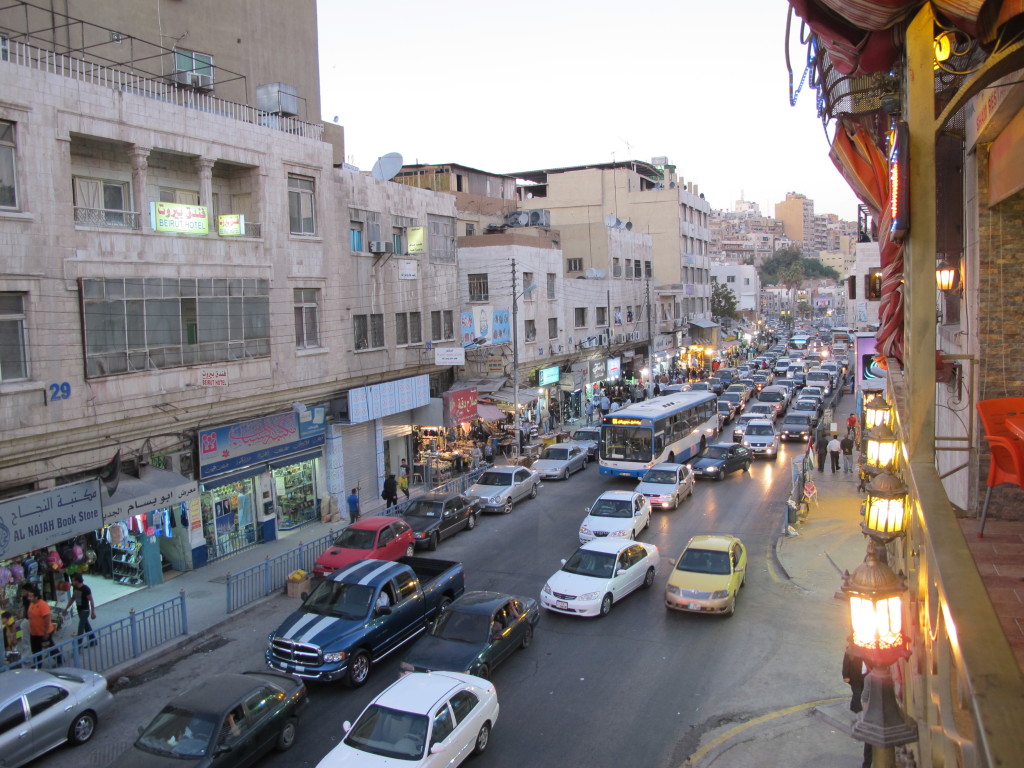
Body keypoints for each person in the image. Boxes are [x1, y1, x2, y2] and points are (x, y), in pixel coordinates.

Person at [24, 584, 56, 664]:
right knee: (35, 650)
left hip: (43, 632)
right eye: (29, 596)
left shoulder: (43, 605)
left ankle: (59, 658)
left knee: (50, 648)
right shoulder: (32, 603)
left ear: (36, 597)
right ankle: (37, 665)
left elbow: (47, 619)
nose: (29, 598)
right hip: (34, 632)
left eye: (31, 596)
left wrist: (46, 633)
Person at [64, 573, 97, 641]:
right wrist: (66, 608)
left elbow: (91, 600)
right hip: (79, 609)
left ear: (77, 581)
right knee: (86, 625)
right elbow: (73, 598)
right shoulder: (75, 588)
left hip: (85, 611)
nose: (72, 582)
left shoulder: (86, 589)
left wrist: (93, 612)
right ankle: (93, 639)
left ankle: (78, 645)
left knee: (81, 628)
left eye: (73, 580)